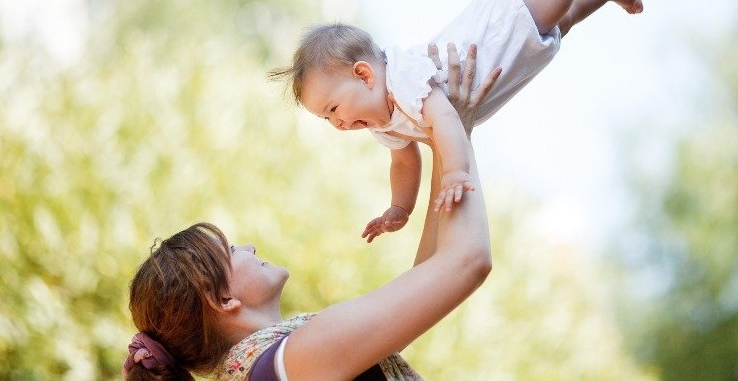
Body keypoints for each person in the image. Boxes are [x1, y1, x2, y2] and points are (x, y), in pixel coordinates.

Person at [269, 0, 643, 242]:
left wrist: (454, 172)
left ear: (364, 75)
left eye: (333, 107)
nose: (337, 123)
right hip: (515, 52)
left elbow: (446, 118)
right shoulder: (383, 124)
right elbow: (404, 163)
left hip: (504, 24)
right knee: (564, 16)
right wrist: (400, 207)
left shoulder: (403, 78)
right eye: (326, 118)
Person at [123, 49, 499, 380]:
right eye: (233, 250)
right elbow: (466, 261)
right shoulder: (293, 361)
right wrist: (455, 140)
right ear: (223, 301)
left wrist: (447, 140)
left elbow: (429, 275)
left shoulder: (272, 366)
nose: (250, 247)